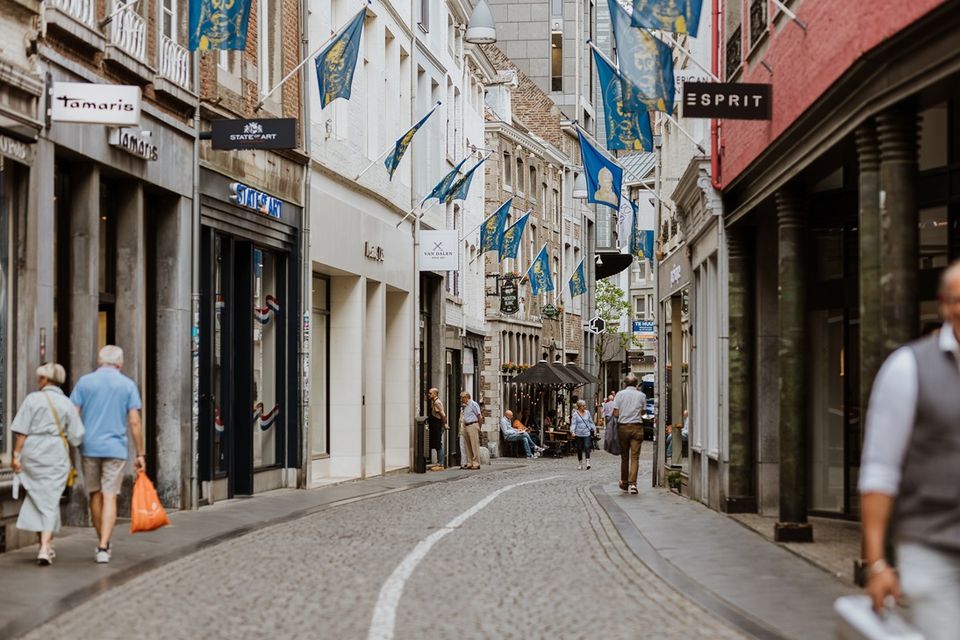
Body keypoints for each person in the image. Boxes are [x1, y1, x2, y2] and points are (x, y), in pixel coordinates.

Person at [858, 259, 960, 640]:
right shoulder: (907, 369)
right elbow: (880, 470)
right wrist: (877, 562)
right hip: (932, 550)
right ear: (946, 305)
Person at [71, 345, 145, 564]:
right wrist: (140, 452)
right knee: (110, 494)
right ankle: (104, 545)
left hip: (89, 446)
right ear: (120, 363)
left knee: (94, 494)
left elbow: (73, 414)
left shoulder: (85, 382)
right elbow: (134, 421)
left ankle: (101, 542)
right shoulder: (127, 385)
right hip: (115, 449)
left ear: (99, 361)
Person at [10, 363, 84, 565]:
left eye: (40, 378)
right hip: (55, 453)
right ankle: (45, 546)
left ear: (44, 380)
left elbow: (21, 432)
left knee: (36, 497)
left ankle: (44, 543)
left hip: (32, 453)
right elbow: (77, 436)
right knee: (50, 500)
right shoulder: (66, 403)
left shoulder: (32, 399)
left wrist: (16, 456)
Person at [613, 374, 647, 494]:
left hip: (624, 427)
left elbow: (616, 413)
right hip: (637, 427)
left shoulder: (619, 395)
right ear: (636, 384)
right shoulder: (642, 395)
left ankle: (624, 482)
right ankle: (633, 484)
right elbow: (643, 412)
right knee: (635, 457)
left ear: (625, 384)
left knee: (625, 457)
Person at [570, 400, 596, 471]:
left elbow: (590, 422)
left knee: (587, 446)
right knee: (579, 448)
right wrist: (572, 431)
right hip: (578, 434)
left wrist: (594, 428)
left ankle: (588, 463)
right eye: (583, 406)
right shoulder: (575, 414)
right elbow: (573, 424)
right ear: (579, 406)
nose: (585, 407)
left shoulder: (587, 413)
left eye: (585, 405)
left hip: (586, 433)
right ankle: (580, 463)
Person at [459, 392, 482, 470]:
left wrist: (479, 427)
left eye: (462, 398)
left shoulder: (473, 404)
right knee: (468, 445)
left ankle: (476, 463)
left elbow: (479, 416)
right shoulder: (466, 406)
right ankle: (470, 462)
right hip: (467, 426)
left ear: (466, 397)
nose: (461, 400)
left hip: (473, 425)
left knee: (474, 445)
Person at [426, 388, 447, 471]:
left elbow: (443, 414)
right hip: (434, 426)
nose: (429, 395)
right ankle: (440, 462)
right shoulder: (434, 402)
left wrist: (444, 424)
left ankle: (441, 463)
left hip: (437, 425)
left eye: (430, 393)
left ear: (435, 394)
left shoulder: (437, 403)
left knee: (438, 444)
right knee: (436, 444)